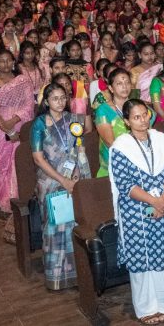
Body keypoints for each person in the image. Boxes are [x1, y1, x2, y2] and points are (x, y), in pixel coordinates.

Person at [109, 99, 164, 324]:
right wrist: (153, 202)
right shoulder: (121, 147)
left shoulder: (160, 140)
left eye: (145, 115)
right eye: (136, 117)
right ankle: (146, 308)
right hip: (136, 210)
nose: (142, 121)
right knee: (143, 258)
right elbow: (125, 185)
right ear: (126, 121)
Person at [30, 83, 93, 290]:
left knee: (75, 225)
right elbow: (38, 159)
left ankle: (78, 272)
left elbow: (80, 149)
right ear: (46, 102)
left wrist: (76, 175)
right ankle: (56, 277)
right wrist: (62, 180)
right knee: (54, 227)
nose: (60, 102)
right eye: (55, 98)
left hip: (74, 178)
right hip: (50, 181)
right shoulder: (39, 124)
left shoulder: (73, 120)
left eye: (63, 98)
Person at [0, 50, 37, 243]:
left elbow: (29, 106)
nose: (5, 64)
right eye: (1, 61)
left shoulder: (22, 80)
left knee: (19, 163)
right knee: (1, 166)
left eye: (8, 61)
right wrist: (6, 128)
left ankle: (19, 200)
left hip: (20, 125)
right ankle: (6, 204)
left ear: (13, 62)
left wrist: (13, 123)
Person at [93, 68, 134, 177]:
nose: (124, 86)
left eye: (127, 82)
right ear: (111, 88)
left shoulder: (137, 107)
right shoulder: (103, 110)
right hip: (114, 166)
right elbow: (111, 143)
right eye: (119, 83)